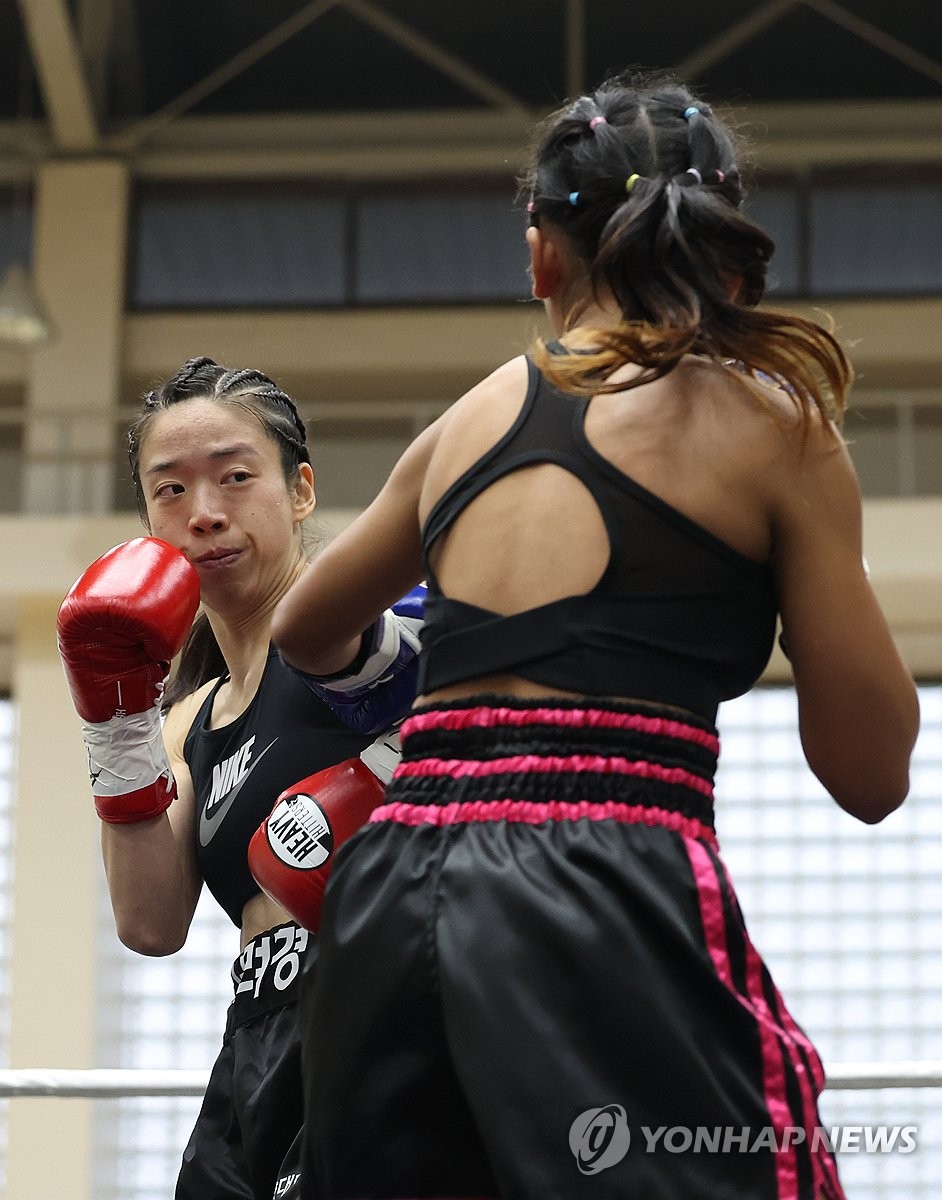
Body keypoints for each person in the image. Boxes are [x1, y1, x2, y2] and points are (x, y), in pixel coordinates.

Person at [270, 72, 920, 1200]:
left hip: (391, 891)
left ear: (540, 257)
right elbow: (871, 776)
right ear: (724, 248)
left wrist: (413, 705)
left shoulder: (470, 418)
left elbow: (303, 628)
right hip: (599, 874)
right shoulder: (772, 420)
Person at [56, 357, 422, 1200]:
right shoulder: (184, 723)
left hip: (380, 1017)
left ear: (299, 490)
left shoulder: (372, 642)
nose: (205, 514)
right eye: (171, 491)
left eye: (234, 477)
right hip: (255, 1044)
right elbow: (148, 923)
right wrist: (116, 723)